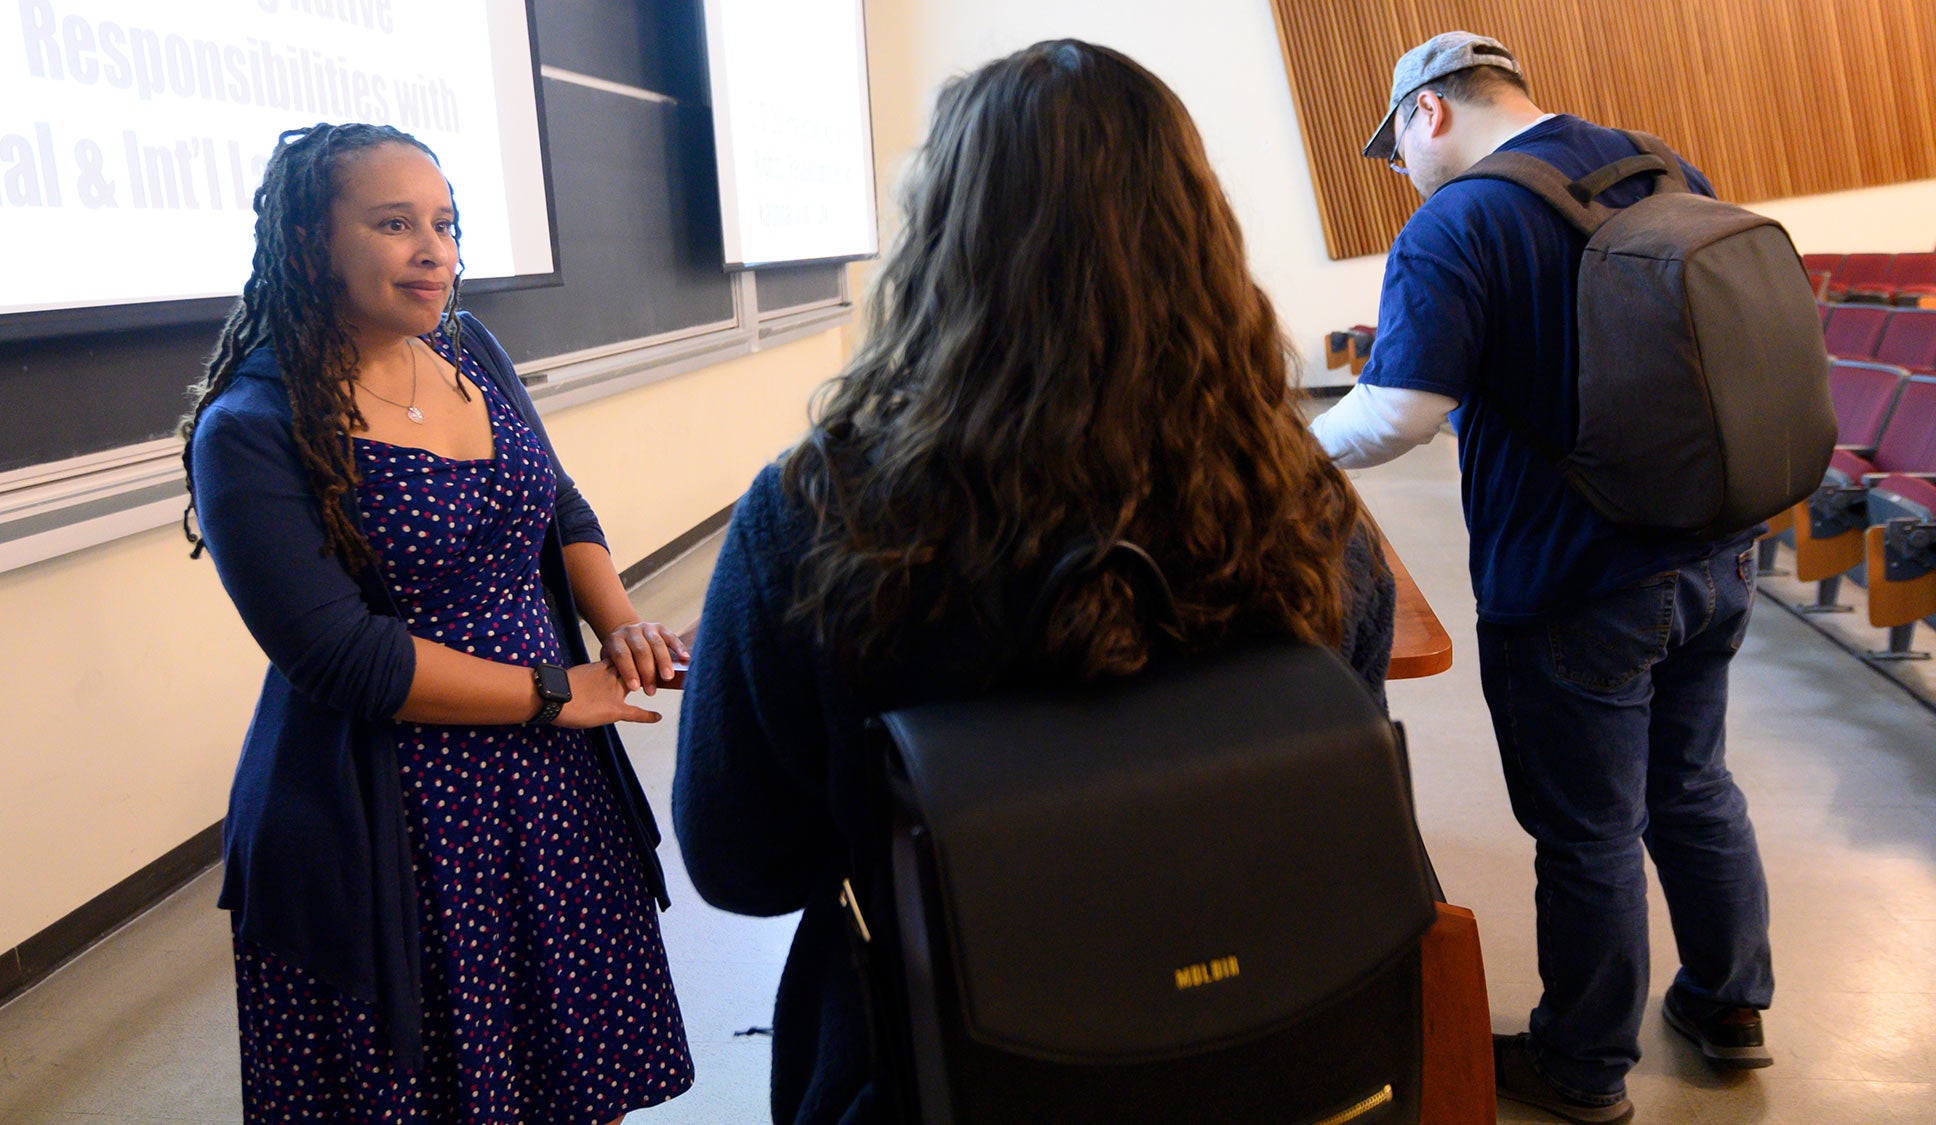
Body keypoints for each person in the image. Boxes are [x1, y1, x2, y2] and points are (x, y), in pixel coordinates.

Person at [672, 40, 1395, 1125]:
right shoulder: (1301, 501)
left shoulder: (816, 514)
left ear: (941, 244)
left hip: (934, 1064)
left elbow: (743, 864)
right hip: (1261, 1041)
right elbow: (1338, 758)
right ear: (1200, 234)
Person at [181, 122, 693, 1122]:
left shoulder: (466, 347)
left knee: (573, 1077)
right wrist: (556, 690)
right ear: (309, 243)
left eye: (445, 224)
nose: (434, 252)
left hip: (548, 781)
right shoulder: (248, 428)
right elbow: (344, 658)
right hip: (393, 814)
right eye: (393, 224)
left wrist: (621, 627)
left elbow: (558, 504)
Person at [1310, 31, 1775, 1124]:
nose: (1401, 172)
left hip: (1574, 580)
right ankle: (1728, 1003)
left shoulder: (1457, 220)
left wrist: (1277, 450)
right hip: (1713, 551)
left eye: (1395, 149)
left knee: (1587, 830)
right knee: (1692, 783)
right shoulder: (1659, 165)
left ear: (1427, 112)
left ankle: (1582, 1066)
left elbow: (1396, 413)